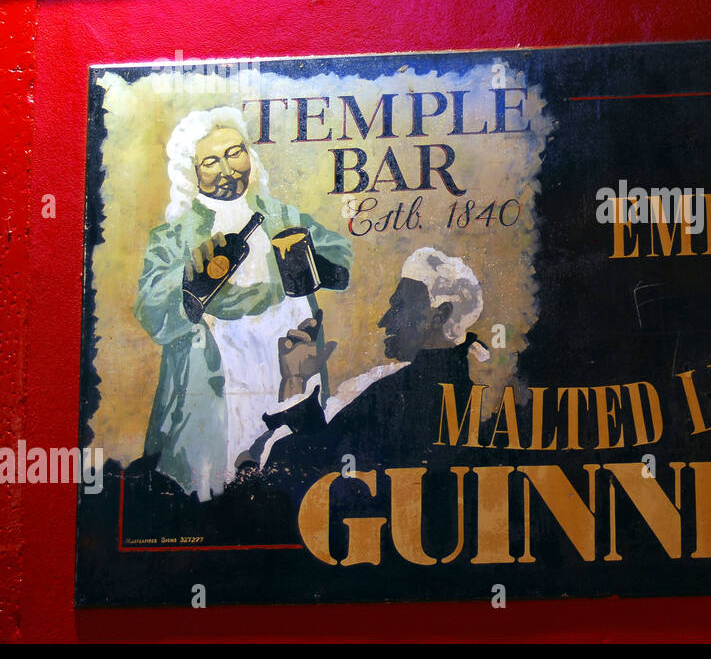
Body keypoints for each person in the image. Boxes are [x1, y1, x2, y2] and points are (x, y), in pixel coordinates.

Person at [134, 106, 352, 500]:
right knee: (226, 482)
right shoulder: (174, 235)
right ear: (191, 172)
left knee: (292, 473)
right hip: (221, 372)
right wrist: (190, 284)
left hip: (290, 357)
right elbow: (151, 310)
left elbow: (340, 258)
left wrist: (312, 263)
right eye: (211, 161)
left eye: (235, 153)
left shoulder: (280, 214)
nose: (227, 169)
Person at [261, 247, 490, 482]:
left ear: (439, 315)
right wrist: (298, 380)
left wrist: (294, 380)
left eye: (399, 306)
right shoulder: (443, 388)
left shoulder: (400, 395)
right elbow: (332, 447)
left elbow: (310, 466)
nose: (384, 321)